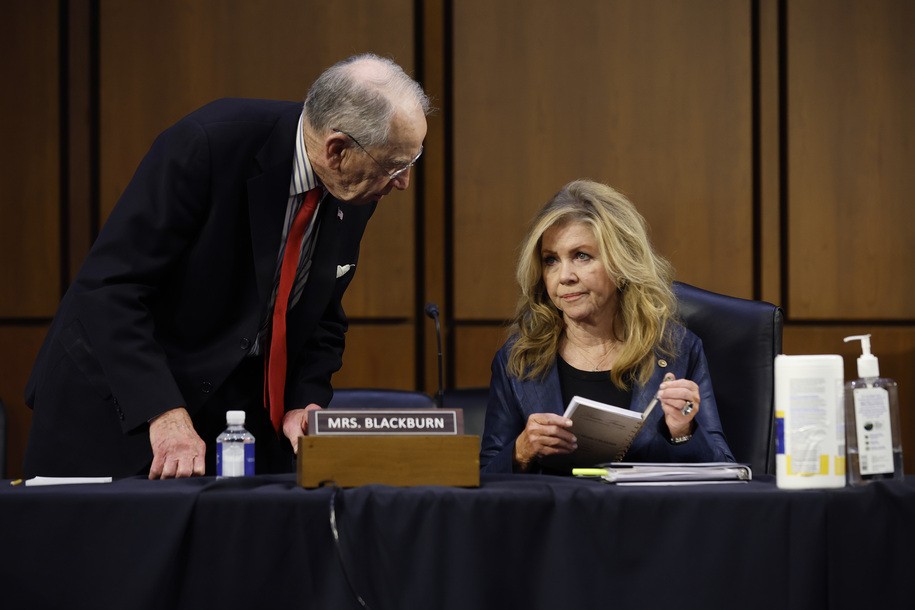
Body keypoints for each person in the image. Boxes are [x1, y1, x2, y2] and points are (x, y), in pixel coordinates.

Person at [23, 53, 431, 479]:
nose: (403, 183)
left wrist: (303, 401)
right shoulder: (208, 145)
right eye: (396, 166)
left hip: (228, 415)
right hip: (118, 401)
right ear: (337, 150)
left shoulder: (356, 189)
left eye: (411, 161)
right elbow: (111, 289)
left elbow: (323, 315)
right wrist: (162, 410)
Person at [480, 180, 734, 473]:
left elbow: (724, 469)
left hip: (646, 515)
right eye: (551, 260)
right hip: (556, 515)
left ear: (621, 261)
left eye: (581, 256)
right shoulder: (518, 360)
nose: (564, 276)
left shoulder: (677, 349)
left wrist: (682, 431)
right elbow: (485, 480)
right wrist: (520, 451)